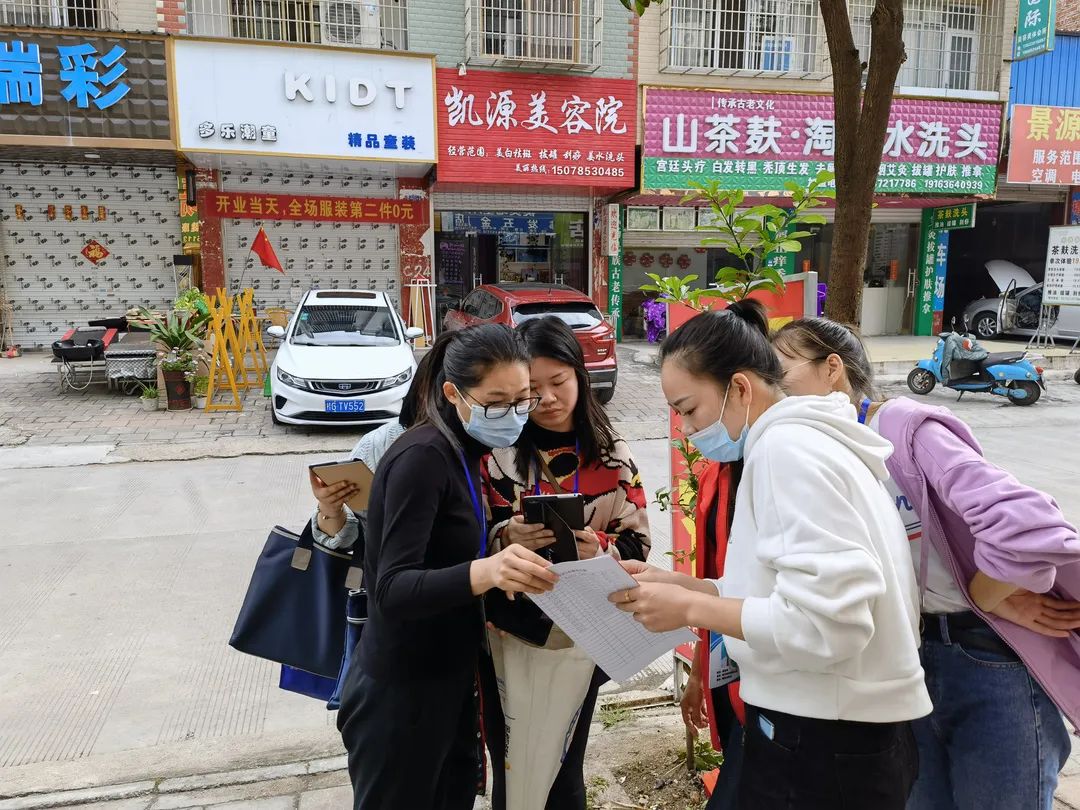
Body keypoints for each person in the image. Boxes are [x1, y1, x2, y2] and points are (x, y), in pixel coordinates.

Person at [610, 300, 932, 810]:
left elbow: (832, 623)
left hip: (823, 742)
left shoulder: (787, 452)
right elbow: (785, 591)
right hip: (835, 730)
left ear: (739, 387)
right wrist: (688, 587)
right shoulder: (805, 441)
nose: (688, 431)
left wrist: (691, 611)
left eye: (689, 410)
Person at [774, 317, 1080, 810]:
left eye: (780, 371)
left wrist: (986, 598)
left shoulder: (903, 429)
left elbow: (1030, 524)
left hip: (985, 660)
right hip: (907, 662)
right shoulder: (823, 455)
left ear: (832, 369)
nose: (774, 390)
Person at [335, 324, 560, 810]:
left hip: (447, 679)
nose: (514, 415)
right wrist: (488, 571)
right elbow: (392, 589)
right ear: (453, 393)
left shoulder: (466, 453)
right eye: (497, 403)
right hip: (402, 692)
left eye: (524, 400)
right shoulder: (422, 458)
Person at [479, 316, 651, 810]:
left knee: (564, 761)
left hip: (583, 636)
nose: (549, 398)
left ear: (580, 375)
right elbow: (469, 542)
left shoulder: (613, 457)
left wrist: (600, 547)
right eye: (533, 389)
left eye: (559, 382)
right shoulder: (498, 455)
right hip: (508, 633)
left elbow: (639, 549)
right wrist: (504, 535)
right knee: (512, 758)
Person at [307, 358, 422, 548]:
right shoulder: (380, 444)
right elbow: (346, 539)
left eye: (491, 403)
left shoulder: (484, 452)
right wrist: (330, 506)